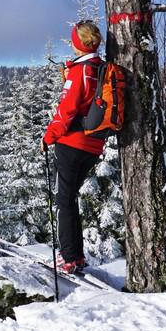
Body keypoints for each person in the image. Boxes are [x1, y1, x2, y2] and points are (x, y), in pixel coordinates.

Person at [42, 19, 105, 274]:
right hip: (94, 144)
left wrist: (48, 137)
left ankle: (69, 258)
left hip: (71, 143)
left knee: (64, 200)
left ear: (78, 42)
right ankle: (75, 257)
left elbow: (67, 109)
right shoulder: (101, 67)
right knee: (70, 198)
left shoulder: (81, 71)